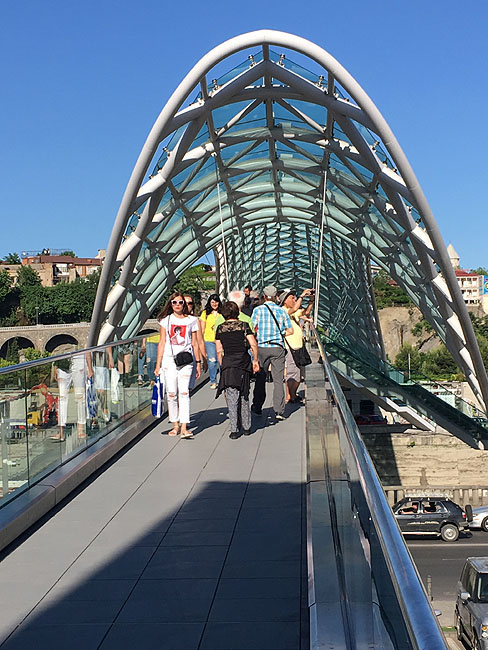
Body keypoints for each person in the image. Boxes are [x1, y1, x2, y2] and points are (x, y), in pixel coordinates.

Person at [155, 292, 202, 438]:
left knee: (184, 392)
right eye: (174, 302)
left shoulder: (192, 320)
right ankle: (174, 423)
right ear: (170, 304)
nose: (177, 305)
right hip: (169, 360)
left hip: (186, 360)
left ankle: (184, 426)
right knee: (171, 393)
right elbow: (161, 343)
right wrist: (158, 365)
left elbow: (195, 343)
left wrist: (198, 363)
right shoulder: (165, 320)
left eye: (180, 302)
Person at [215, 301, 260, 439]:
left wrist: (223, 364)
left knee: (232, 396)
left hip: (228, 364)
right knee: (244, 394)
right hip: (243, 363)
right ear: (237, 312)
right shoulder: (243, 326)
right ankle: (247, 427)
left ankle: (234, 429)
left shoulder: (220, 328)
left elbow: (219, 350)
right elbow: (253, 344)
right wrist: (255, 360)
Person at [251, 285, 293, 421]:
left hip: (262, 347)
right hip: (277, 348)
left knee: (260, 378)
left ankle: (257, 407)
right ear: (276, 297)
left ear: (264, 296)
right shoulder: (281, 311)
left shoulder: (258, 310)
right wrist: (279, 333)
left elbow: (252, 328)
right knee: (278, 380)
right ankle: (279, 410)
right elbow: (290, 331)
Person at [278, 288, 314, 403]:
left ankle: (293, 395)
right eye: (292, 298)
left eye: (295, 298)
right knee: (293, 373)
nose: (294, 300)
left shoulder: (293, 313)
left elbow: (305, 313)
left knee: (299, 374)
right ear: (285, 300)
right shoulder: (282, 310)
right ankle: (291, 396)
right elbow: (294, 309)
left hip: (299, 347)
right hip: (290, 347)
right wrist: (302, 296)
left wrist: (311, 301)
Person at [184, 293, 207, 385]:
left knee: (186, 389)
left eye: (190, 303)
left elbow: (199, 341)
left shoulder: (194, 321)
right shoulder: (170, 319)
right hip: (174, 358)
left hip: (190, 357)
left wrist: (203, 360)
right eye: (184, 303)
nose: (187, 305)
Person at [200, 293, 222, 389]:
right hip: (209, 340)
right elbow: (202, 328)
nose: (214, 304)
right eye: (212, 302)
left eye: (216, 302)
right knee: (212, 361)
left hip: (220, 340)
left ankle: (222, 380)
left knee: (221, 361)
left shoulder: (222, 312)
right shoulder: (205, 313)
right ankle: (213, 381)